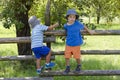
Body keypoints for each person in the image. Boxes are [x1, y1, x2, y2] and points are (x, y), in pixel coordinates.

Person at [63, 9, 94, 74]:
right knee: (67, 56)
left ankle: (79, 66)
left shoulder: (77, 24)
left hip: (76, 44)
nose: (72, 18)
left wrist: (89, 31)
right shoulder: (66, 25)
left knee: (77, 57)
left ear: (75, 18)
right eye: (70, 17)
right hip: (68, 44)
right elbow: (66, 29)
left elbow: (84, 26)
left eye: (74, 17)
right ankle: (67, 67)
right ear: (67, 17)